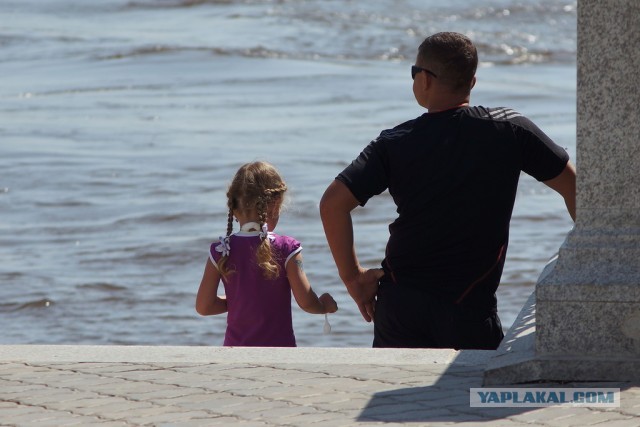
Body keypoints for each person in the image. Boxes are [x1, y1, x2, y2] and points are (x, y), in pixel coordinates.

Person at [319, 32, 576, 350]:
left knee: (396, 398)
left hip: (400, 304)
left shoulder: (395, 142)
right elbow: (576, 188)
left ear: (424, 79)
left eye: (414, 73)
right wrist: (592, 256)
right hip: (468, 306)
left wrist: (354, 279)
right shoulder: (510, 129)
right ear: (473, 81)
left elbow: (333, 204)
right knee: (472, 398)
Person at [196, 161, 338, 347]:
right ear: (275, 205)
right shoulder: (287, 248)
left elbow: (204, 307)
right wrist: (323, 305)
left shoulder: (221, 250)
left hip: (235, 351)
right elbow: (306, 302)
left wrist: (239, 301)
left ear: (234, 208)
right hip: (279, 351)